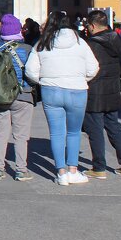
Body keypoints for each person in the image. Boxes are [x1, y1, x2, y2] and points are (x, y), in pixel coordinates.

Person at [25, 11, 100, 186]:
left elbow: (30, 70)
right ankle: (73, 170)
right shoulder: (80, 42)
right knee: (74, 132)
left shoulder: (42, 44)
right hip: (77, 90)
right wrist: (81, 79)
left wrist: (43, 80)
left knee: (56, 132)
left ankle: (61, 172)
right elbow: (93, 67)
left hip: (51, 90)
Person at [83, 12, 121, 179]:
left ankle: (99, 167)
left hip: (95, 91)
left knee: (95, 130)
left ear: (92, 26)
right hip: (113, 89)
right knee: (114, 127)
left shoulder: (91, 44)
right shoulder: (117, 40)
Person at [0, 15, 35, 182]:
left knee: (1, 133)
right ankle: (21, 170)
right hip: (23, 95)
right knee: (21, 135)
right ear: (18, 29)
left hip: (0, 96)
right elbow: (33, 73)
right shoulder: (27, 49)